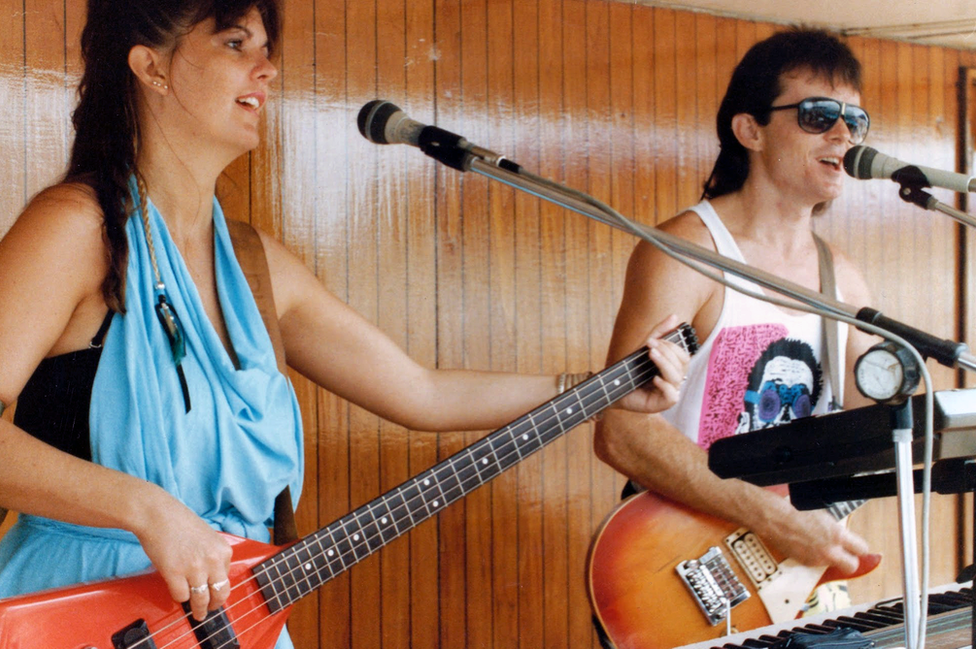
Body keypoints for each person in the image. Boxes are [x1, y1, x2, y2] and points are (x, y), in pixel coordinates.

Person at [0, 1, 688, 647]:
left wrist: (598, 387)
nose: (266, 69)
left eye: (267, 50)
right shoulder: (76, 230)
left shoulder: (254, 264)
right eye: (235, 44)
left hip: (231, 620)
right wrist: (145, 508)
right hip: (82, 612)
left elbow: (421, 391)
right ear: (150, 66)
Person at [594, 27, 878, 613]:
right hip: (679, 568)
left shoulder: (842, 278)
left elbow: (877, 426)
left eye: (855, 120)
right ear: (749, 129)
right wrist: (768, 515)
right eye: (819, 115)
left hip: (792, 568)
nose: (843, 134)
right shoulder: (687, 251)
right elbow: (622, 430)